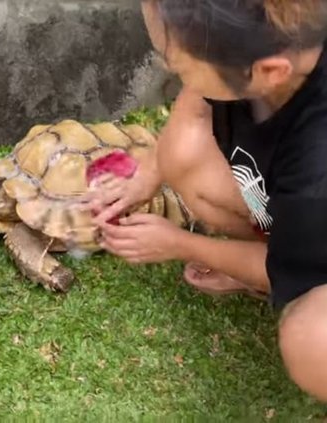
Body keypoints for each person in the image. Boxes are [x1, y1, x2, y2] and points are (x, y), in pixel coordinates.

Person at [86, 0, 327, 402]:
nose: (176, 74)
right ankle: (268, 253)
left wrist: (180, 244)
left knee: (311, 338)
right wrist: (152, 168)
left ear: (268, 72)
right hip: (309, 217)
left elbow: (289, 271)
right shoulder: (279, 42)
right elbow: (200, 93)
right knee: (181, 153)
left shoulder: (317, 172)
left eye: (178, 66)